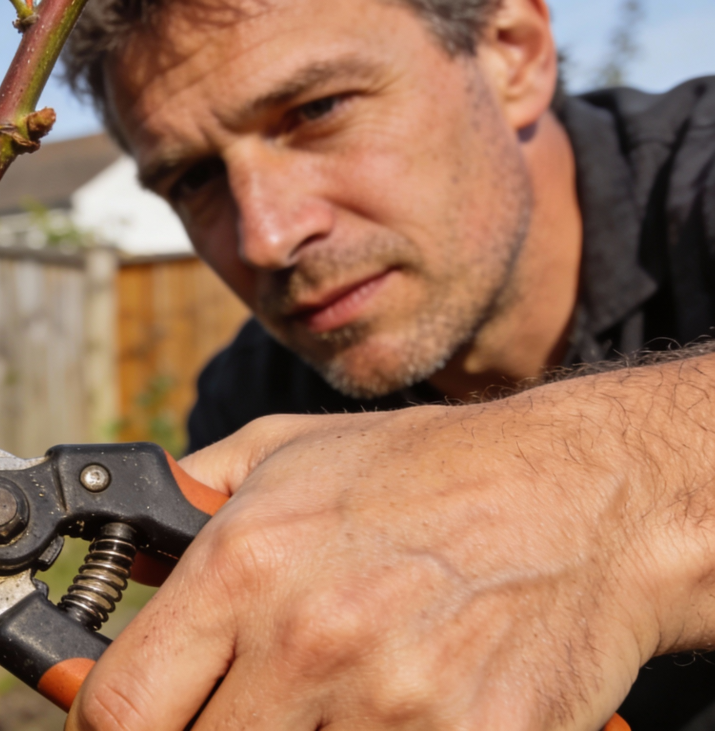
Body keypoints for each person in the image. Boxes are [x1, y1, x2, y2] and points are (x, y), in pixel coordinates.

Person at [59, 0, 715, 728]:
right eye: (193, 179)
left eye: (317, 110)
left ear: (513, 52)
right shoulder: (248, 404)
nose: (267, 237)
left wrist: (589, 482)